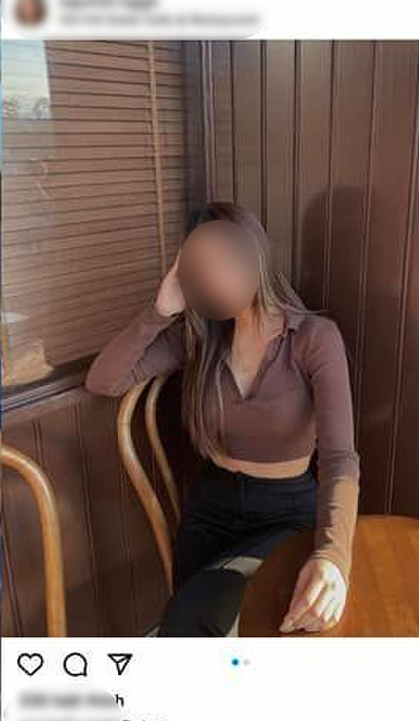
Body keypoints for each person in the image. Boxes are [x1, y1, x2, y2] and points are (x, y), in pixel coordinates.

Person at [87, 202, 360, 637]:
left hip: (286, 511)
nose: (216, 275)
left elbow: (340, 458)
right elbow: (104, 380)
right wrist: (161, 309)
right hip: (211, 508)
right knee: (190, 622)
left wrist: (332, 556)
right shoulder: (198, 339)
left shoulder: (313, 338)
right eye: (201, 266)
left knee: (213, 619)